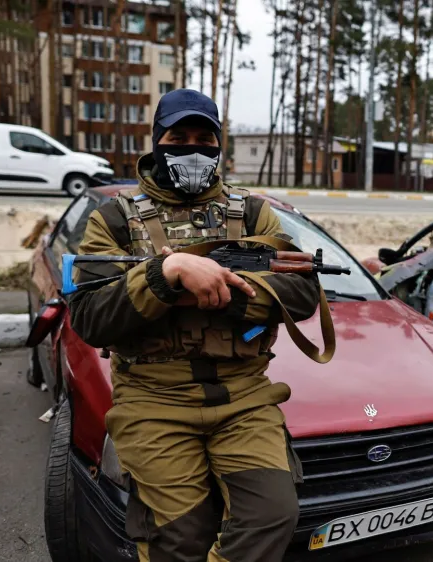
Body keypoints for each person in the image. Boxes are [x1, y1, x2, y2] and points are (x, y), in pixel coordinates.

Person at [68, 89, 320, 562]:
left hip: (245, 395)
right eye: (178, 137)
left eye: (205, 138)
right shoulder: (115, 219)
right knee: (179, 539)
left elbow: (304, 293)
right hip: (153, 399)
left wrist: (223, 288)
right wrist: (164, 275)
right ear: (157, 143)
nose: (193, 148)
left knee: (272, 514)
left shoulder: (251, 214)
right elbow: (90, 318)